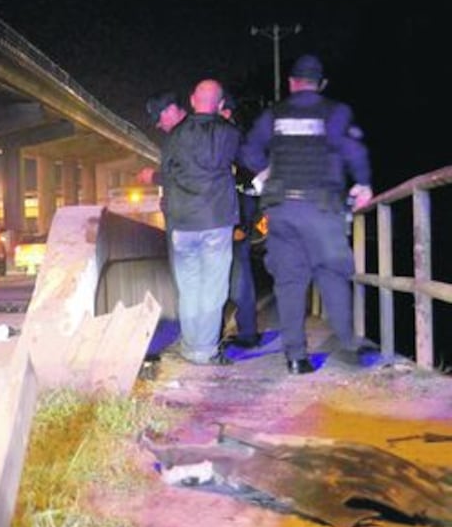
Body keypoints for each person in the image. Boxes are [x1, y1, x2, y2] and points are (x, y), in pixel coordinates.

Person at [239, 54, 374, 374]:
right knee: (333, 275)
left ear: (291, 83)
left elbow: (248, 151)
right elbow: (355, 150)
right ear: (321, 83)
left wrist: (266, 170)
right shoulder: (336, 112)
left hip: (283, 209)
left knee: (289, 282)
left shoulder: (275, 114)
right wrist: (364, 184)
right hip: (322, 209)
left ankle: (296, 357)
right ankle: (350, 345)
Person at [159, 79, 241, 365]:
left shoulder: (175, 135)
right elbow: (243, 165)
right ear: (220, 105)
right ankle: (204, 350)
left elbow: (166, 173)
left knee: (189, 286)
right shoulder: (230, 133)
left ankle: (191, 345)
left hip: (183, 222)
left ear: (193, 100)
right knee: (213, 287)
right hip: (217, 220)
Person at [220, 91, 263, 349]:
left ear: (226, 112)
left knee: (238, 272)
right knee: (233, 272)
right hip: (231, 216)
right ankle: (243, 331)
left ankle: (246, 333)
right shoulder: (233, 138)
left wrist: (241, 224)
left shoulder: (235, 141)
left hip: (235, 218)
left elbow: (251, 185)